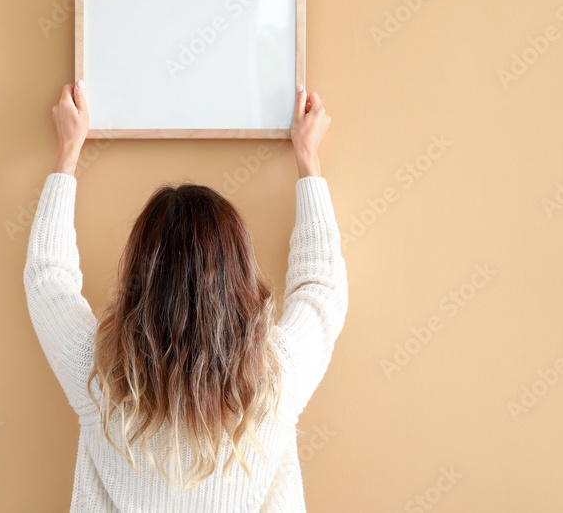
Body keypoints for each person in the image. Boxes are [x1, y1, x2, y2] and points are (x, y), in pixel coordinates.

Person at [24, 80, 349, 512]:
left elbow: (48, 278)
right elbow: (321, 288)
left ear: (141, 276)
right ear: (239, 277)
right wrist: (308, 160)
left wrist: (68, 154)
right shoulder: (277, 379)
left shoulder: (99, 378)